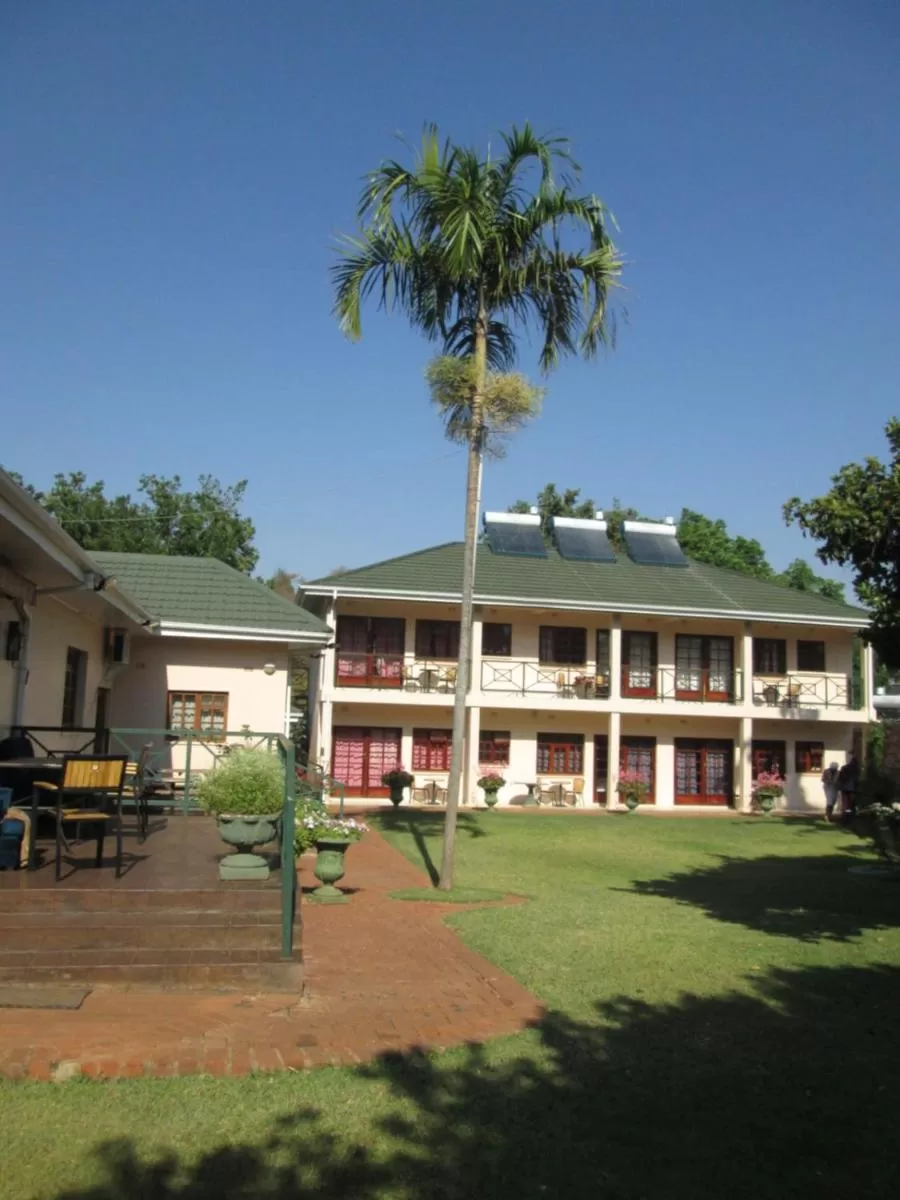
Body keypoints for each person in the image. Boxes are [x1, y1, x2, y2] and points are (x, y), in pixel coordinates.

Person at [837, 752, 860, 818]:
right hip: (852, 788)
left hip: (844, 788)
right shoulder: (857, 769)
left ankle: (845, 816)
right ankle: (849, 816)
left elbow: (840, 778)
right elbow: (857, 779)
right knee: (850, 803)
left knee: (845, 803)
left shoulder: (844, 767)